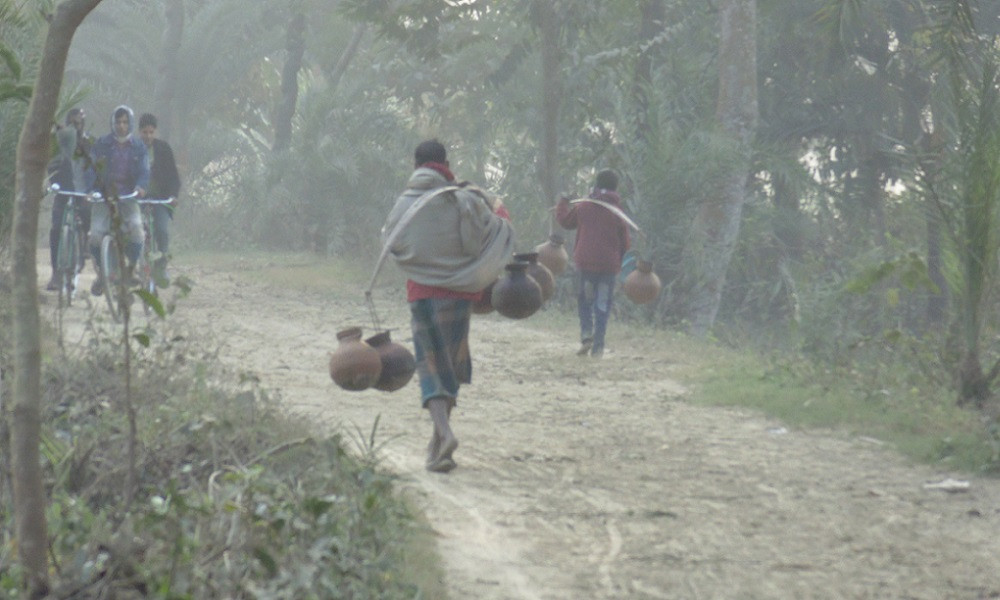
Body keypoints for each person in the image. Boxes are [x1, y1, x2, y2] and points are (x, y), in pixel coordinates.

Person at [381, 139, 514, 473]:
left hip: (421, 295)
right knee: (450, 366)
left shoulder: (406, 203)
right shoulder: (465, 200)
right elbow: (497, 225)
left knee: (430, 366)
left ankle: (442, 434)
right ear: (446, 163)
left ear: (416, 165)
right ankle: (440, 442)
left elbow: (390, 241)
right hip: (458, 297)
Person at [555, 169, 631, 358]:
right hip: (608, 267)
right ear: (615, 188)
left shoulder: (584, 207)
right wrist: (617, 259)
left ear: (597, 185)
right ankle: (598, 347)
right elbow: (626, 243)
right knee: (602, 304)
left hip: (586, 263)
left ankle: (586, 335)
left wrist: (563, 203)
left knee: (585, 300)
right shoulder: (618, 213)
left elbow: (565, 221)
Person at [88, 105, 149, 296]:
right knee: (96, 236)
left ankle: (130, 268)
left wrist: (140, 187)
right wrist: (91, 190)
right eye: (118, 122)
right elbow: (92, 168)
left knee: (137, 231)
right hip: (104, 198)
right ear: (112, 123)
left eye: (125, 122)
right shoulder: (102, 144)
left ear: (130, 123)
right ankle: (104, 273)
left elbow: (144, 171)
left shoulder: (139, 147)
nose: (121, 126)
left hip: (128, 198)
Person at [138, 113, 181, 284]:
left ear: (155, 132)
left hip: (160, 199)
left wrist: (173, 196)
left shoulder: (163, 149)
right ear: (139, 132)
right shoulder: (133, 148)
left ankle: (161, 267)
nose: (148, 136)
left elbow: (173, 177)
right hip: (137, 200)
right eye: (144, 132)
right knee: (133, 232)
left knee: (162, 230)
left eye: (151, 132)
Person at [45, 127, 88, 290]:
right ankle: (56, 272)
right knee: (56, 229)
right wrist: (54, 184)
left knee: (85, 218)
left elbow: (88, 174)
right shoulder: (56, 155)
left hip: (80, 195)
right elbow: (51, 171)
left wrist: (86, 192)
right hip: (62, 195)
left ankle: (84, 247)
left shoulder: (83, 153)